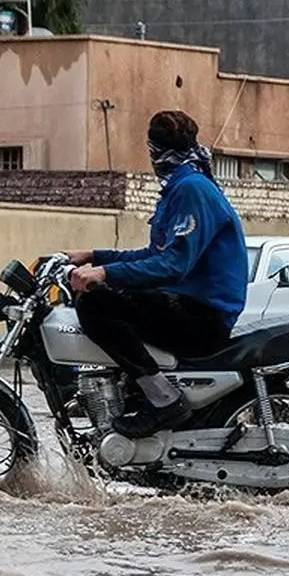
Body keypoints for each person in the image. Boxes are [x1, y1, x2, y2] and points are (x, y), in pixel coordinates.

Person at [64, 109, 250, 439]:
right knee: (109, 297)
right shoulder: (183, 185)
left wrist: (104, 274)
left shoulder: (191, 189)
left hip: (202, 317)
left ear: (153, 150)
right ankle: (129, 392)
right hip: (190, 307)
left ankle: (164, 400)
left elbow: (172, 265)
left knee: (96, 305)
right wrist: (95, 257)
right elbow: (156, 255)